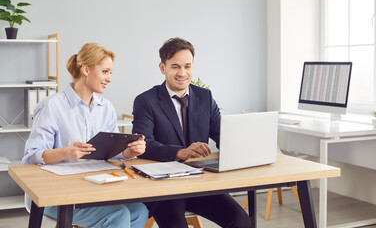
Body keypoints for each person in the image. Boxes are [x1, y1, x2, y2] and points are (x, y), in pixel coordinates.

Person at [22, 43, 149, 228]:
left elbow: (110, 151)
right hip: (56, 194)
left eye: (110, 73)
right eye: (105, 71)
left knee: (139, 211)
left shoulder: (106, 108)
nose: (109, 78)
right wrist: (65, 152)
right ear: (86, 69)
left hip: (96, 186)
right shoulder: (52, 106)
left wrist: (129, 152)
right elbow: (31, 156)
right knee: (118, 215)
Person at [132, 37, 252, 228]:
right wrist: (180, 152)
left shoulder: (205, 97)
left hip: (199, 183)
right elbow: (143, 146)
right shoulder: (146, 101)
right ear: (162, 68)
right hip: (164, 188)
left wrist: (244, 147)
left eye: (188, 66)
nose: (182, 73)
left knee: (241, 221)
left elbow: (222, 134)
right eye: (175, 66)